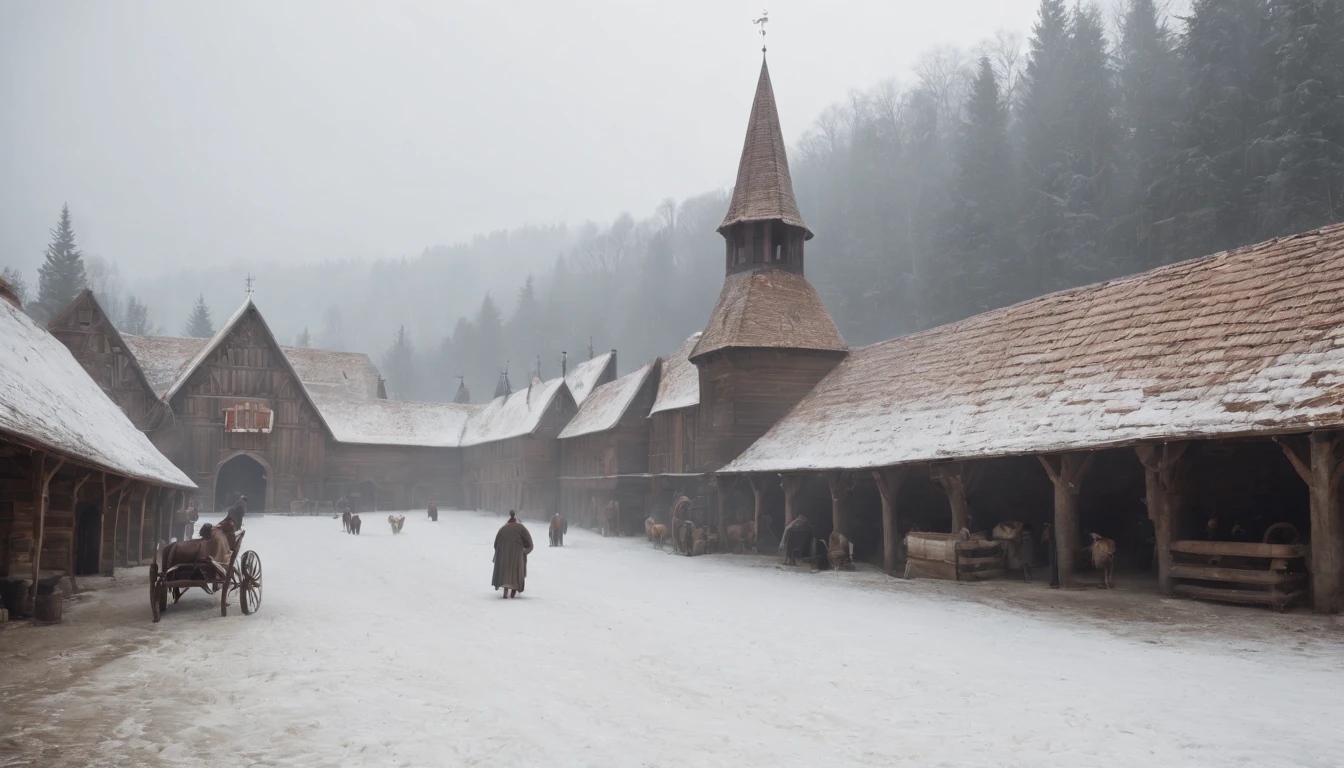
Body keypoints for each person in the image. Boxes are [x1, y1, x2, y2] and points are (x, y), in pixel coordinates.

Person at [493, 511, 533, 598]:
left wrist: (500, 552)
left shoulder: (503, 529)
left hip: (504, 555)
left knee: (505, 572)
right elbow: (530, 544)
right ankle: (514, 591)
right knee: (516, 572)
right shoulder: (521, 528)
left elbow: (495, 544)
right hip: (517, 556)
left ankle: (505, 590)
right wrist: (525, 551)